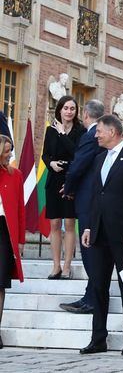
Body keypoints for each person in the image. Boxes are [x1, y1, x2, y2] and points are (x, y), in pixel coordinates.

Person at [79, 114, 123, 356]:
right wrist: (88, 226)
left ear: (112, 131)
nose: (95, 135)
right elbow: (96, 195)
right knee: (98, 285)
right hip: (98, 234)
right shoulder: (99, 158)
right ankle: (98, 337)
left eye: (99, 131)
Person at [59, 100, 106, 315]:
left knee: (89, 251)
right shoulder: (101, 134)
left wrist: (68, 186)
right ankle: (90, 295)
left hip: (89, 201)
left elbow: (79, 164)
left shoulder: (91, 135)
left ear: (86, 114)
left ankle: (93, 299)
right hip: (95, 199)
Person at [42, 95, 86, 280]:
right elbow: (45, 154)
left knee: (69, 223)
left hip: (71, 179)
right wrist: (50, 163)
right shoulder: (50, 130)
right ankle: (56, 266)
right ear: (59, 109)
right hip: (54, 178)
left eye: (72, 109)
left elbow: (77, 153)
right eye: (66, 108)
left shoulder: (80, 131)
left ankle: (67, 266)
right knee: (54, 223)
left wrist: (62, 133)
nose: (69, 111)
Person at [0, 134, 24, 350]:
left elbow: (19, 209)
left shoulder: (16, 175)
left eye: (11, 150)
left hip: (4, 234)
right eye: (7, 151)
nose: (10, 155)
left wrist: (21, 239)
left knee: (0, 284)